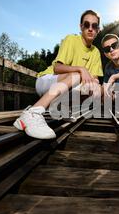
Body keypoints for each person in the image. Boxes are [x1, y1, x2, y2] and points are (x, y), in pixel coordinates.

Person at [14, 10, 103, 139]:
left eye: (94, 26)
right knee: (77, 75)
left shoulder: (95, 52)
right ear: (81, 26)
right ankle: (32, 113)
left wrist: (94, 86)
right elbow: (57, 68)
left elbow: (94, 79)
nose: (90, 29)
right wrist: (81, 69)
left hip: (65, 87)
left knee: (96, 90)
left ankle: (62, 108)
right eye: (86, 24)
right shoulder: (71, 39)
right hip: (47, 81)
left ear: (98, 30)